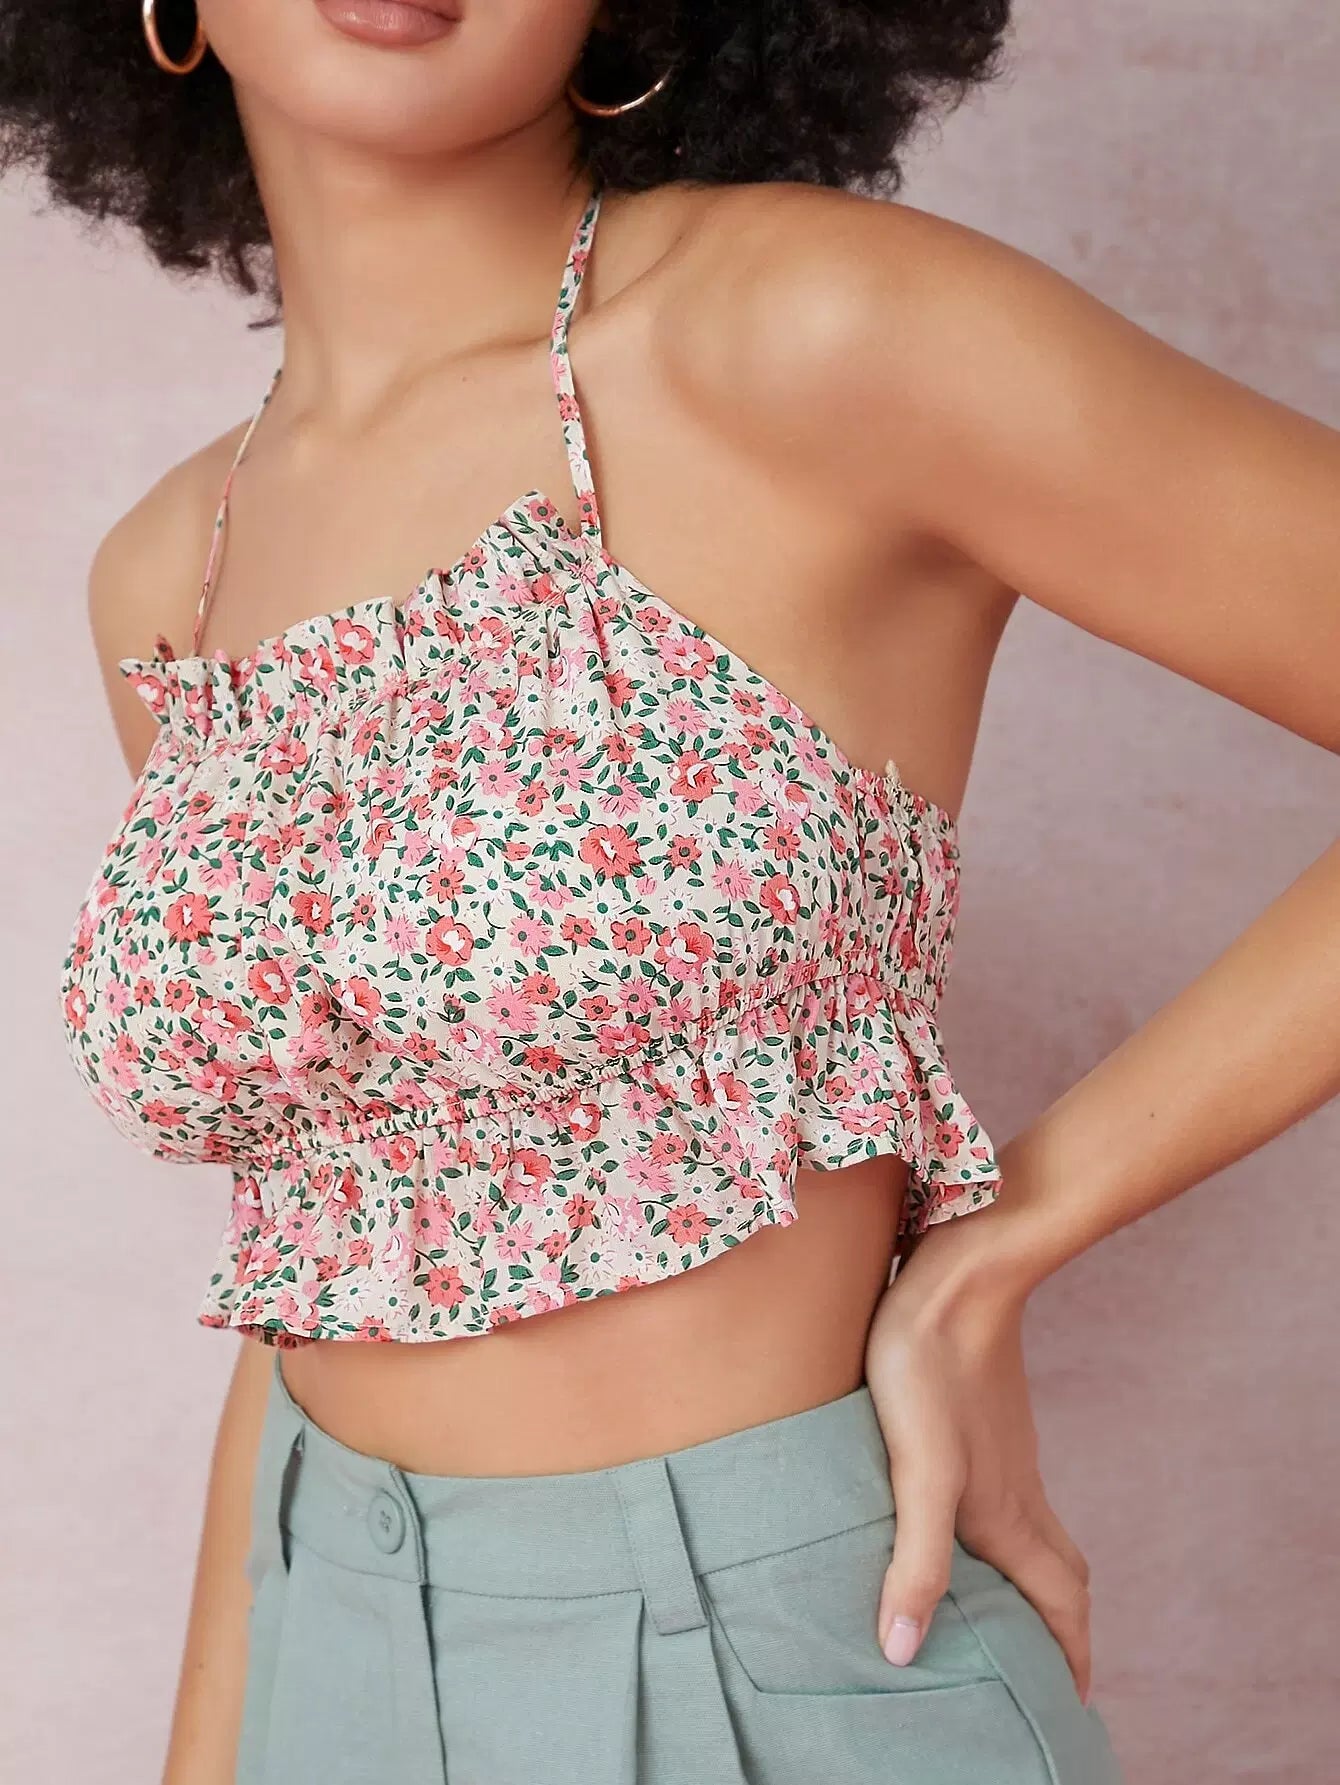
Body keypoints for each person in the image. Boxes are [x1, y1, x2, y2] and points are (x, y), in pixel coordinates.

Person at [9, 2, 1337, 1781]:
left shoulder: (814, 335)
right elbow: (324, 1246)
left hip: (776, 1669)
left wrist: (1005, 1234)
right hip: (319, 1651)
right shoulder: (172, 569)